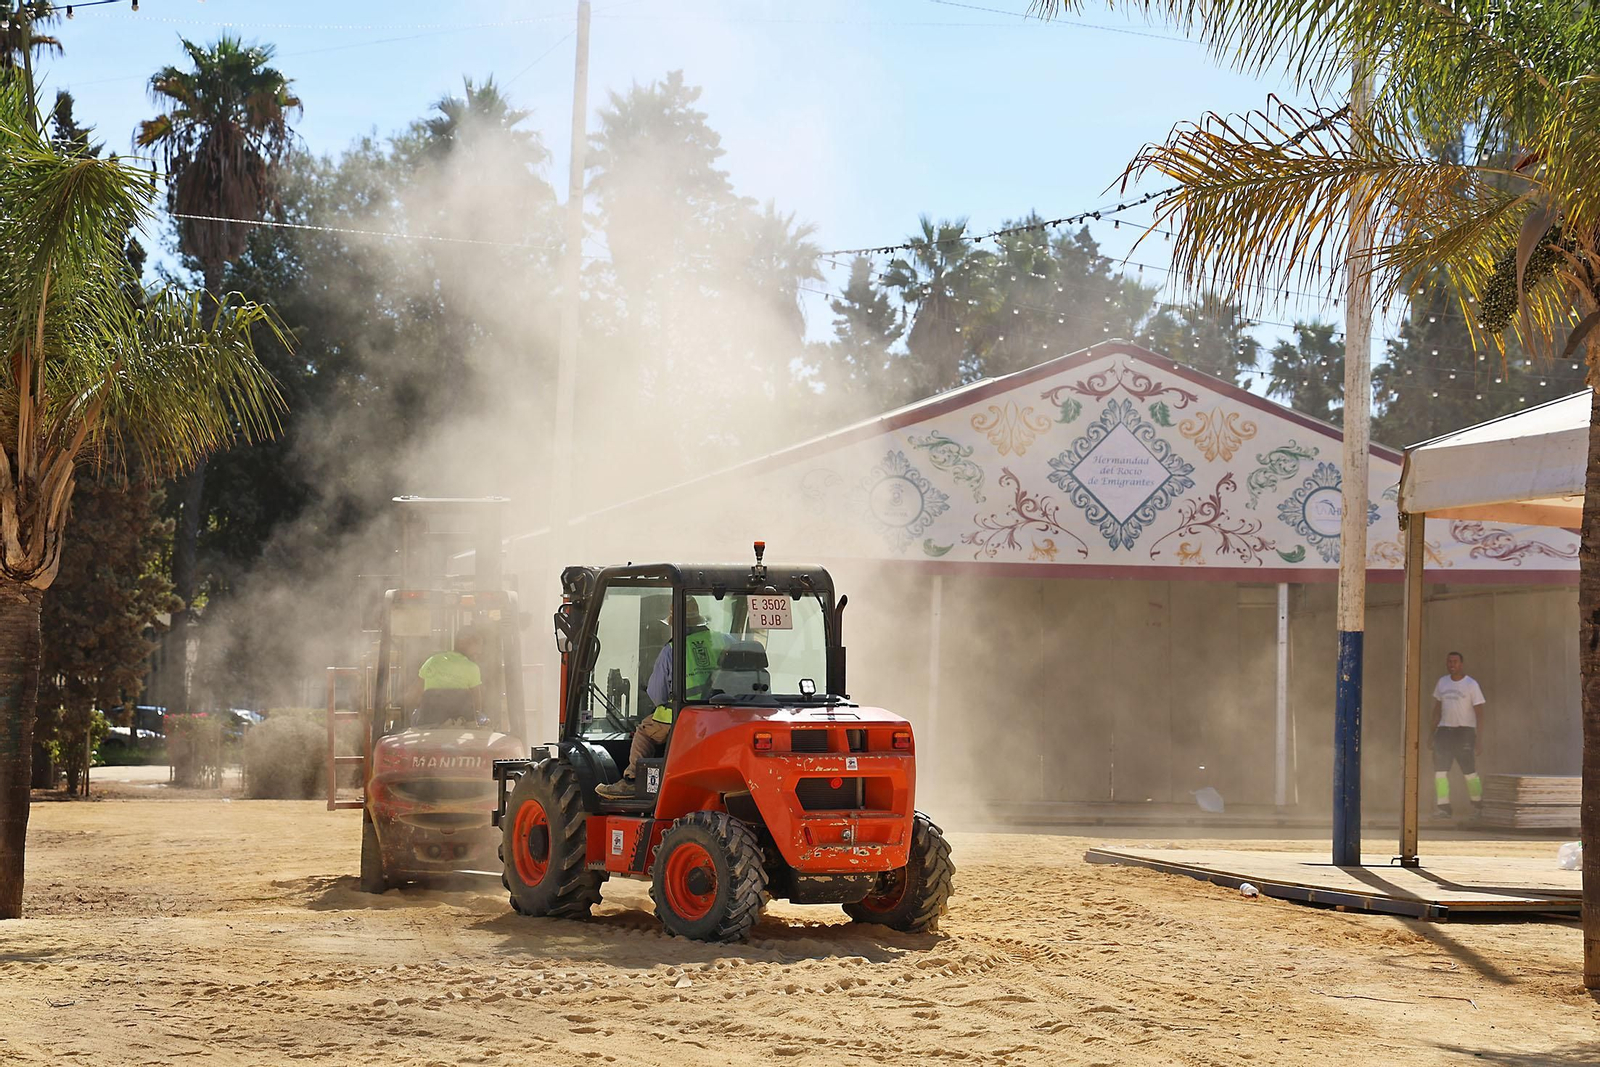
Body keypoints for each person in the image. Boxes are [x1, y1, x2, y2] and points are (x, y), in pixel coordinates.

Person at [597, 597, 719, 800]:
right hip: (717, 714)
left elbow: (657, 694)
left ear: (676, 624)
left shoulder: (671, 650)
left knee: (645, 730)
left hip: (684, 715)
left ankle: (632, 780)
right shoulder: (718, 641)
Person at [1431, 650, 1487, 819]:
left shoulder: (1471, 685)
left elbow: (1479, 713)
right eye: (1449, 662)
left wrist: (1479, 739)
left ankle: (1478, 806)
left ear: (1461, 664)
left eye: (1455, 662)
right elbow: (1437, 710)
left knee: (1469, 772)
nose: (1452, 665)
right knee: (1440, 772)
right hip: (1444, 731)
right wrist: (1431, 734)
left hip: (1465, 731)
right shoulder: (1442, 683)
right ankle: (1443, 807)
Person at [409, 626, 485, 726]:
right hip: (460, 722)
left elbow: (415, 696)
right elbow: (477, 705)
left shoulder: (432, 661)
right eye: (477, 645)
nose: (480, 651)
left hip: (428, 721)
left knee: (415, 714)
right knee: (483, 718)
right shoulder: (472, 668)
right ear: (464, 643)